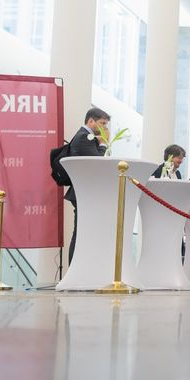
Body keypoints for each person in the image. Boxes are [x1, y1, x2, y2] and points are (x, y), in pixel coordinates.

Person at [64, 107, 110, 265]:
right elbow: (96, 163)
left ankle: (80, 268)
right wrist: (103, 144)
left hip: (85, 192)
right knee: (80, 233)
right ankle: (75, 269)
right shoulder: (84, 137)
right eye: (102, 124)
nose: (105, 128)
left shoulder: (85, 136)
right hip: (83, 192)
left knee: (84, 232)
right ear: (91, 121)